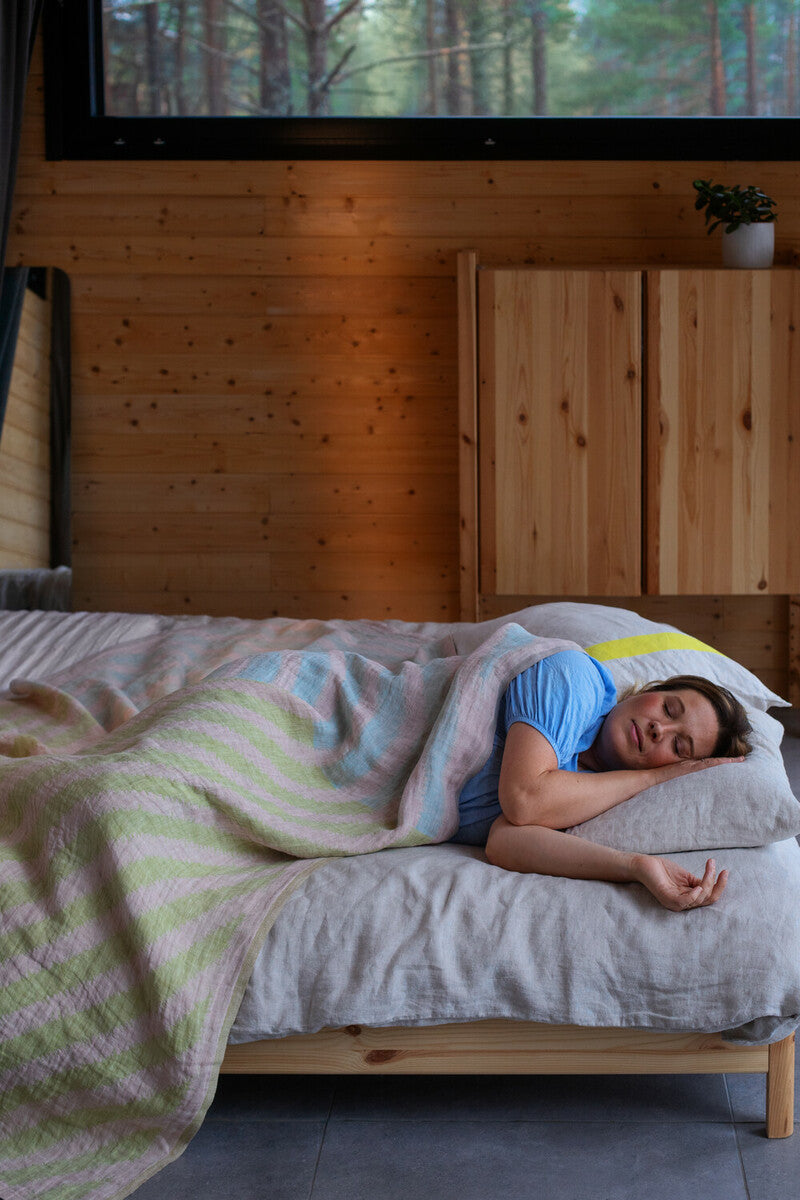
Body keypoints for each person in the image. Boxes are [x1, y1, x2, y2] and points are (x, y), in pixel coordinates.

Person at [448, 648, 752, 913]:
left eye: (678, 747)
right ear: (647, 691)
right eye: (668, 708)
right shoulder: (574, 677)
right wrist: (652, 775)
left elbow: (503, 843)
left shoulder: (595, 786)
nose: (660, 728)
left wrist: (636, 866)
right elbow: (524, 798)